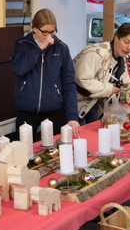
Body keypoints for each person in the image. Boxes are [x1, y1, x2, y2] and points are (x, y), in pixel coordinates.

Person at [12, 8, 80, 142]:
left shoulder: (62, 48)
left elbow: (69, 84)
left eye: (52, 31)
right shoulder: (22, 45)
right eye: (45, 32)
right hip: (27, 110)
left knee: (54, 152)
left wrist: (72, 117)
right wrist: (40, 49)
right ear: (34, 28)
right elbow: (18, 69)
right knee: (24, 152)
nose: (49, 36)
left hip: (55, 111)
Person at [73, 22, 130, 124]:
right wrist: (109, 89)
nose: (129, 48)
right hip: (77, 107)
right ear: (116, 38)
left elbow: (125, 83)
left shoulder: (121, 60)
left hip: (96, 107)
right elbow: (81, 79)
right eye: (126, 42)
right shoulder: (96, 53)